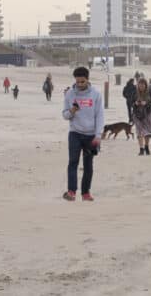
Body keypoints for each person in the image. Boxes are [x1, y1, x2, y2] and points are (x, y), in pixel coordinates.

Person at [62, 66, 104, 201]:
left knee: (88, 164)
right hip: (75, 133)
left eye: (82, 82)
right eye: (77, 81)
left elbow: (100, 116)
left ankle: (86, 192)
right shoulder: (70, 94)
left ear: (87, 80)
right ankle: (71, 191)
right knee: (73, 162)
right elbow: (65, 115)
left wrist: (98, 135)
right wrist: (72, 111)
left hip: (91, 135)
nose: (79, 84)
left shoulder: (96, 94)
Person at [132, 77, 151, 155]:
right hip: (137, 114)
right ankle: (141, 149)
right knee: (139, 132)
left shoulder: (150, 92)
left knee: (147, 132)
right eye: (140, 84)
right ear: (138, 85)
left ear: (145, 85)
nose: (141, 86)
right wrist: (135, 103)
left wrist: (146, 104)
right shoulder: (134, 92)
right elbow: (130, 102)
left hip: (147, 114)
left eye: (143, 84)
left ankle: (147, 147)